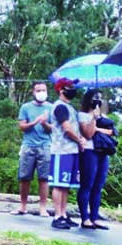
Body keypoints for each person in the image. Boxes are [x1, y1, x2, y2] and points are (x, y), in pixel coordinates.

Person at [48, 78, 84, 230]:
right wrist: (79, 140)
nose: (72, 89)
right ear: (61, 90)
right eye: (69, 87)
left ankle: (63, 214)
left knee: (66, 185)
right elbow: (67, 129)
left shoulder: (70, 108)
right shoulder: (60, 107)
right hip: (61, 150)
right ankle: (57, 216)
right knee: (59, 184)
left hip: (71, 151)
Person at [76, 89, 113, 230]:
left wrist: (98, 127)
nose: (98, 100)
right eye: (95, 97)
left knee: (98, 185)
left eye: (100, 98)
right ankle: (85, 217)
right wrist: (94, 119)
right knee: (87, 184)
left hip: (102, 151)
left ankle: (95, 217)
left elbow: (111, 132)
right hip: (89, 152)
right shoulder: (82, 115)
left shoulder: (103, 115)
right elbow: (88, 134)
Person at [16, 81, 53, 216]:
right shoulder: (26, 107)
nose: (41, 93)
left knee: (44, 178)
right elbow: (22, 126)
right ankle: (23, 206)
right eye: (38, 90)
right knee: (24, 177)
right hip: (28, 145)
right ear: (33, 92)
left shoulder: (51, 107)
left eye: (43, 90)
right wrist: (35, 122)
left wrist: (44, 124)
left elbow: (53, 128)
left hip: (46, 145)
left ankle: (42, 207)